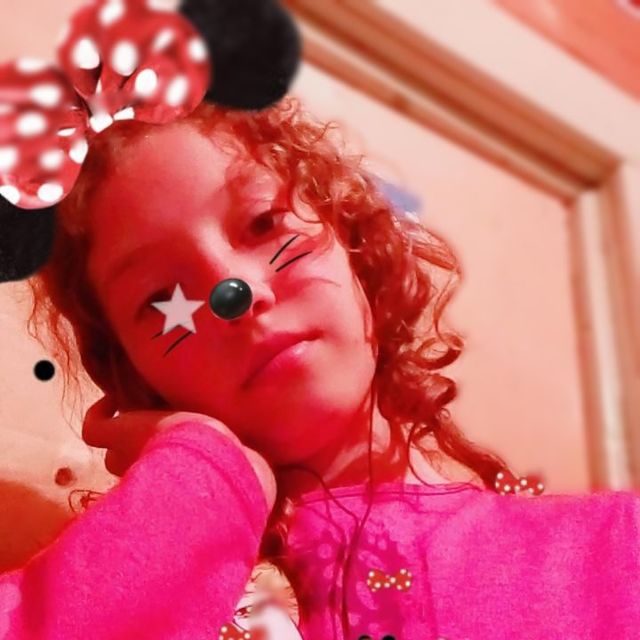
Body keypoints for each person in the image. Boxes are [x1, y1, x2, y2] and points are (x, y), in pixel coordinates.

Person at [1, 3, 640, 639]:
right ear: (129, 371)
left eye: (262, 223)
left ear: (351, 237)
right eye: (159, 296)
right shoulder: (140, 583)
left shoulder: (614, 552)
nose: (235, 292)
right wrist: (200, 481)